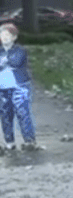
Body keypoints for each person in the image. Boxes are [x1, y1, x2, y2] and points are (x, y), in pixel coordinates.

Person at [0, 23, 38, 151]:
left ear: (14, 37)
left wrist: (4, 61)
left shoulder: (20, 50)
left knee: (23, 113)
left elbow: (16, 62)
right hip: (3, 88)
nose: (4, 37)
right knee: (5, 115)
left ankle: (29, 140)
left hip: (19, 86)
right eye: (2, 35)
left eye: (8, 35)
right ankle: (9, 142)